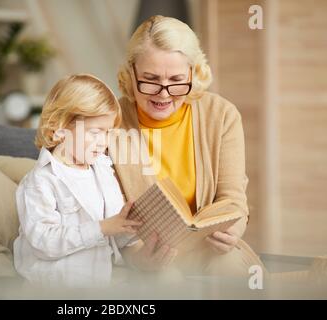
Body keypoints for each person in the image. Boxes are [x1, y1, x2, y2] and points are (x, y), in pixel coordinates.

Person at [109, 15, 265, 276]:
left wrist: (233, 230)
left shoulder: (222, 115)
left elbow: (233, 198)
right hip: (142, 257)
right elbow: (101, 211)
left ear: (194, 73)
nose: (164, 93)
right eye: (151, 79)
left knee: (228, 270)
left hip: (208, 252)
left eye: (177, 80)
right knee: (165, 281)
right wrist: (139, 260)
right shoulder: (109, 121)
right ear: (130, 73)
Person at [13, 74, 141, 287]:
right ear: (60, 130)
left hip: (98, 285)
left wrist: (131, 229)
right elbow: (43, 241)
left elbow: (114, 226)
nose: (103, 142)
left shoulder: (102, 169)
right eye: (95, 132)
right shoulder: (40, 181)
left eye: (108, 132)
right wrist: (102, 228)